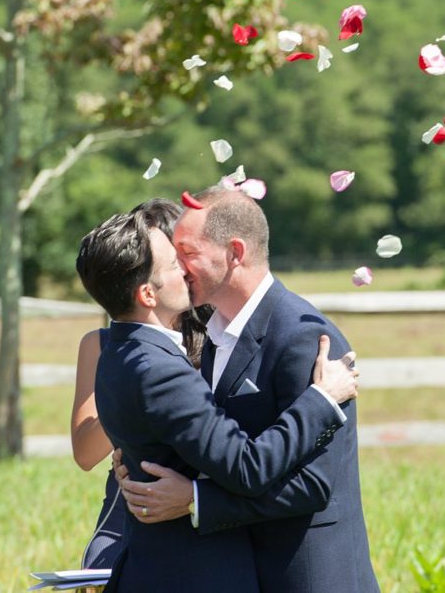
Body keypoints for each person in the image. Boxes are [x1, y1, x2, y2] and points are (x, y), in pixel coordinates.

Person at [75, 210, 360, 591]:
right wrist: (322, 398)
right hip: (191, 573)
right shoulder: (158, 368)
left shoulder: (118, 351)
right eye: (175, 263)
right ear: (147, 293)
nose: (185, 271)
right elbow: (247, 466)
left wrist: (187, 492)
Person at [72, 199, 203, 569]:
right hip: (128, 509)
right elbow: (84, 453)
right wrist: (129, 413)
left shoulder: (216, 339)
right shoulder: (100, 345)